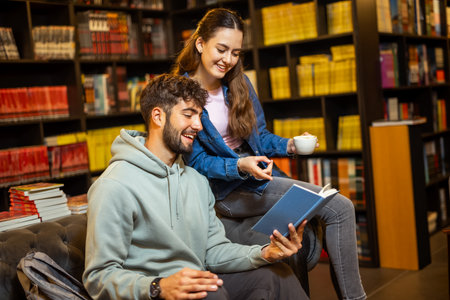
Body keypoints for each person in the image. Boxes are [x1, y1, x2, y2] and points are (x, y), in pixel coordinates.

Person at [173, 8, 367, 300]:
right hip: (225, 191)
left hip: (258, 176)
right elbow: (196, 162)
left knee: (335, 209)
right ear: (200, 44)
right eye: (221, 49)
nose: (228, 60)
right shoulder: (180, 94)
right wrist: (239, 165)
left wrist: (289, 144)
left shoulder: (239, 84)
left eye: (236, 52)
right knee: (340, 208)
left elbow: (259, 136)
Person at [83, 74, 309, 300]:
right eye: (188, 115)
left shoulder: (196, 180)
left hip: (198, 283)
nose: (198, 126)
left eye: (200, 116)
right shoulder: (114, 185)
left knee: (278, 276)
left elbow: (213, 251)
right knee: (211, 293)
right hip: (152, 293)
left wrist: (264, 253)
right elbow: (98, 276)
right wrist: (157, 286)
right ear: (158, 116)